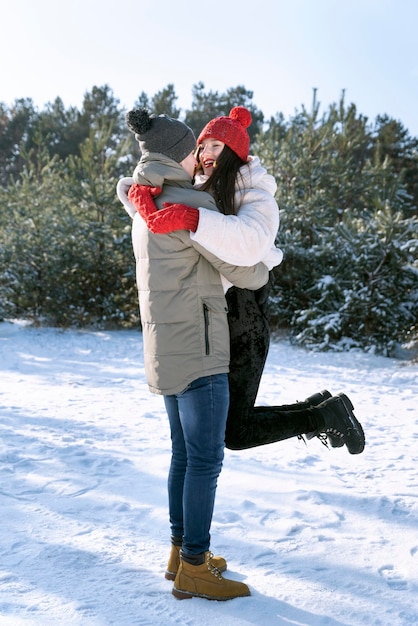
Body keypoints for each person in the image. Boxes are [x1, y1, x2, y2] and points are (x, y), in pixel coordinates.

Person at [120, 107, 365, 455]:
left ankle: (323, 415)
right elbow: (166, 226)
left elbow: (249, 242)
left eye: (216, 147)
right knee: (234, 423)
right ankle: (321, 408)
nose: (205, 154)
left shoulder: (255, 192)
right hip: (214, 312)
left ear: (235, 151)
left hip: (245, 313)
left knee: (234, 431)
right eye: (202, 147)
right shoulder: (204, 187)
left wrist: (192, 217)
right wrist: (137, 195)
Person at [120, 107, 270, 601]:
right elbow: (246, 269)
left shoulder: (149, 201)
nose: (199, 159)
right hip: (201, 348)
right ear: (180, 155)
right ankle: (194, 567)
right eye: (194, 150)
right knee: (205, 461)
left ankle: (179, 552)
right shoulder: (185, 202)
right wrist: (265, 266)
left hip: (165, 347)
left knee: (183, 455)